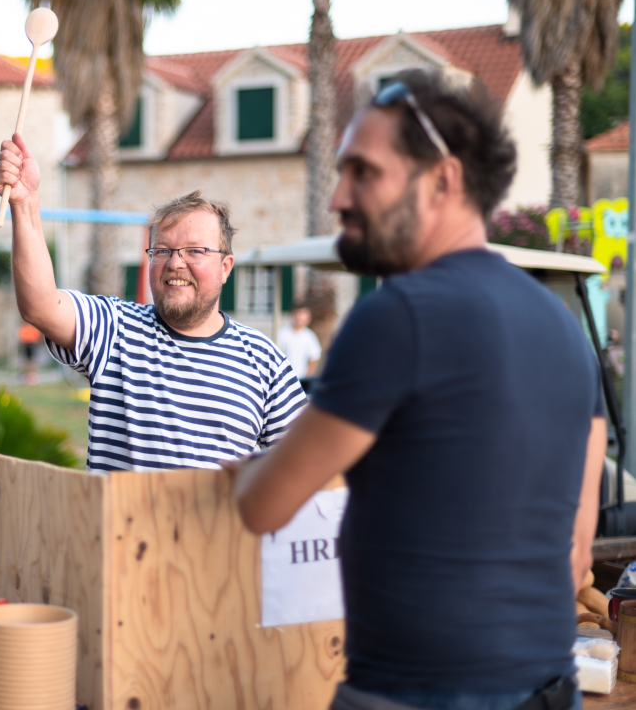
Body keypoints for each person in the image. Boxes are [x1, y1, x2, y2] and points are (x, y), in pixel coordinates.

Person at [230, 71, 604, 710]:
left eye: (362, 172)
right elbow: (574, 555)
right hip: (547, 688)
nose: (338, 197)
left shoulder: (398, 315)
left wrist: (242, 466)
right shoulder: (567, 334)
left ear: (444, 180)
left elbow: (262, 506)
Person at [0, 135, 308, 471]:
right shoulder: (114, 329)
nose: (175, 263)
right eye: (162, 251)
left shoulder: (265, 360)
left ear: (226, 267)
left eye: (195, 251)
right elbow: (40, 306)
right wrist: (25, 203)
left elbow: (303, 468)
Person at [276, 304, 322, 378]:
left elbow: (314, 357)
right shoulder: (282, 333)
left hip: (301, 379)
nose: (300, 319)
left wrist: (308, 376)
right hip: (284, 378)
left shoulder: (309, 335)